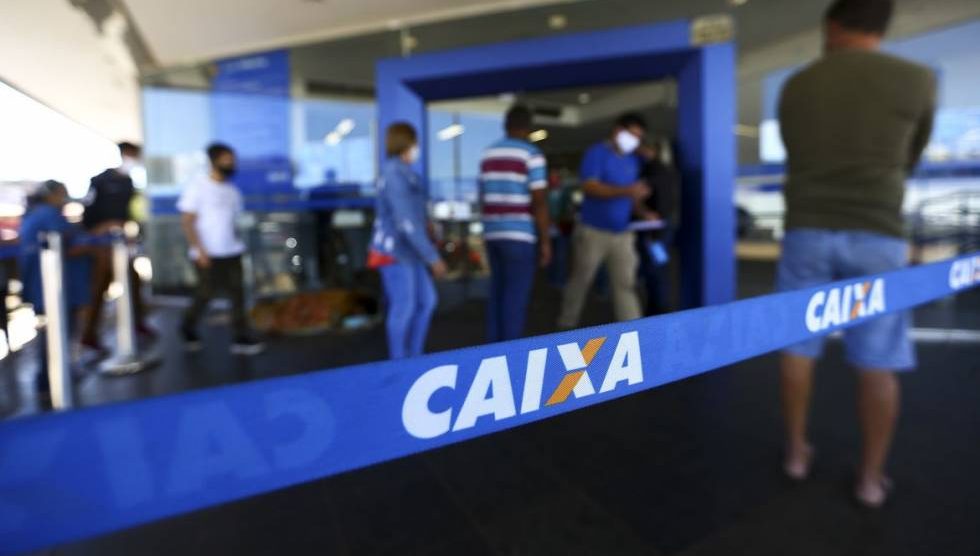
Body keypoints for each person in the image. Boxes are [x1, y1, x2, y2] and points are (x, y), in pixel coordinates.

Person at [775, 0, 935, 508]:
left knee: (797, 346)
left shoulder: (797, 84)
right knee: (878, 359)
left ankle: (796, 453)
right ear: (883, 26)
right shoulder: (918, 80)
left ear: (831, 25)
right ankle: (870, 479)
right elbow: (910, 156)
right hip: (878, 232)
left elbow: (796, 151)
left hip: (806, 228)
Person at [556, 113, 652, 329]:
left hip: (622, 233)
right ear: (618, 131)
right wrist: (626, 191)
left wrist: (643, 211)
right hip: (593, 231)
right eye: (633, 135)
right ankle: (565, 325)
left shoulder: (632, 160)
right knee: (581, 280)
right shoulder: (597, 153)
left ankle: (633, 330)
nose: (635, 141)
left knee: (626, 284)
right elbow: (590, 187)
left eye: (639, 137)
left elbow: (631, 196)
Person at [369, 122, 446, 359]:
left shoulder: (407, 173)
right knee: (404, 307)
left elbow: (415, 215)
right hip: (394, 252)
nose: (416, 148)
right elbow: (406, 222)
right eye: (414, 143)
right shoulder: (394, 174)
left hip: (411, 252)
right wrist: (433, 258)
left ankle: (414, 356)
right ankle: (399, 362)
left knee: (426, 301)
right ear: (406, 143)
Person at [178, 143, 264, 355]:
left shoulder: (232, 191)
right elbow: (187, 221)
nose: (231, 164)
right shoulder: (198, 186)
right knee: (205, 294)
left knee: (237, 294)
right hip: (207, 253)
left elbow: (234, 222)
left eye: (232, 160)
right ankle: (187, 326)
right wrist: (199, 250)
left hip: (232, 251)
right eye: (227, 160)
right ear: (214, 161)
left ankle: (241, 336)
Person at [479, 105, 551, 342]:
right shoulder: (532, 154)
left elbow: (482, 196)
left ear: (505, 125)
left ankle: (492, 349)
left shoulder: (488, 154)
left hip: (493, 233)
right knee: (515, 298)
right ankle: (510, 353)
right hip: (519, 235)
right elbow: (539, 201)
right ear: (528, 128)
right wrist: (545, 241)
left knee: (497, 293)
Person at [18, 181, 93, 398]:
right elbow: (63, 246)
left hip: (46, 287)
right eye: (62, 193)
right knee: (57, 332)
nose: (65, 197)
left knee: (54, 332)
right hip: (54, 288)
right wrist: (89, 246)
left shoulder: (35, 215)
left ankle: (52, 377)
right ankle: (50, 379)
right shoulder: (48, 215)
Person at [80, 141, 154, 354]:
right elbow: (88, 216)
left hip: (121, 244)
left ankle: (137, 324)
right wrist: (102, 229)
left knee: (133, 282)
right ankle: (88, 335)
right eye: (131, 155)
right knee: (98, 289)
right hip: (101, 245)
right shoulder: (99, 181)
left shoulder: (129, 183)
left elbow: (131, 213)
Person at [635, 140, 681, 316]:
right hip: (662, 228)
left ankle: (658, 309)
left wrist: (653, 230)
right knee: (659, 267)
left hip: (654, 229)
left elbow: (656, 200)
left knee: (654, 270)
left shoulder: (651, 171)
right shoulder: (666, 170)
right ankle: (659, 307)